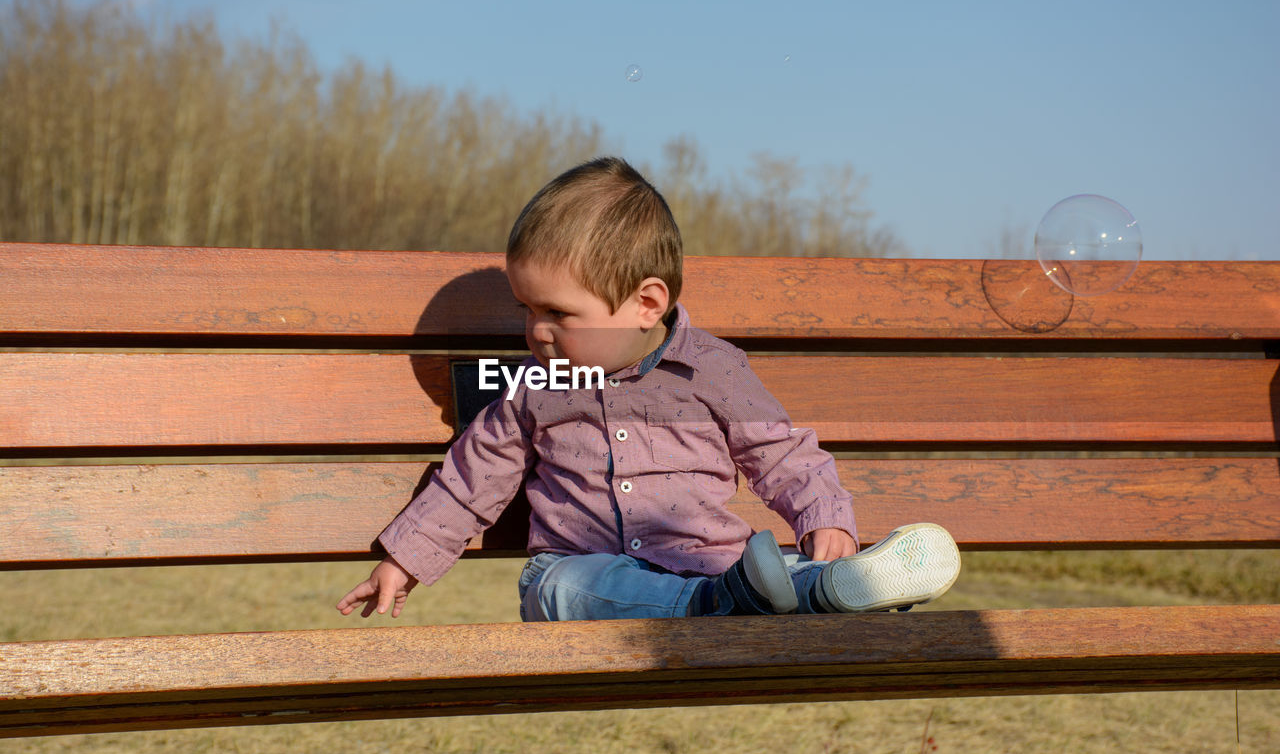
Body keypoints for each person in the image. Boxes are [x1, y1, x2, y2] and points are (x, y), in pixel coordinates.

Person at [338, 157, 960, 622]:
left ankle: (836, 582)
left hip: (712, 563)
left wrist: (826, 520)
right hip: (583, 573)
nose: (536, 332)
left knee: (774, 570)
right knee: (556, 591)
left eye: (557, 313)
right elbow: (471, 479)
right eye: (525, 309)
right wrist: (406, 560)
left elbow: (784, 456)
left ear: (645, 303)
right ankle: (744, 602)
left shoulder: (712, 371)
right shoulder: (535, 388)